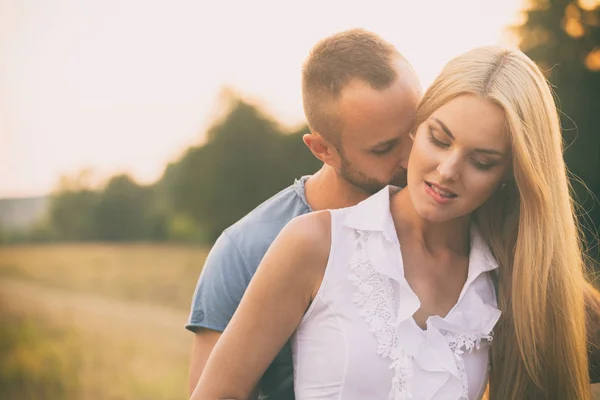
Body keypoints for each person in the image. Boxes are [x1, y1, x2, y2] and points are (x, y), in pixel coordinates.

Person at [190, 45, 598, 400]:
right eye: (439, 139)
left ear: (510, 175)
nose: (448, 169)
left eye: (482, 161)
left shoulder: (512, 278)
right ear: (415, 130)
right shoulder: (314, 242)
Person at [185, 28, 422, 399]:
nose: (413, 157)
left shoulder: (441, 221)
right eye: (384, 148)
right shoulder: (246, 249)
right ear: (322, 149)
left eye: (417, 129)